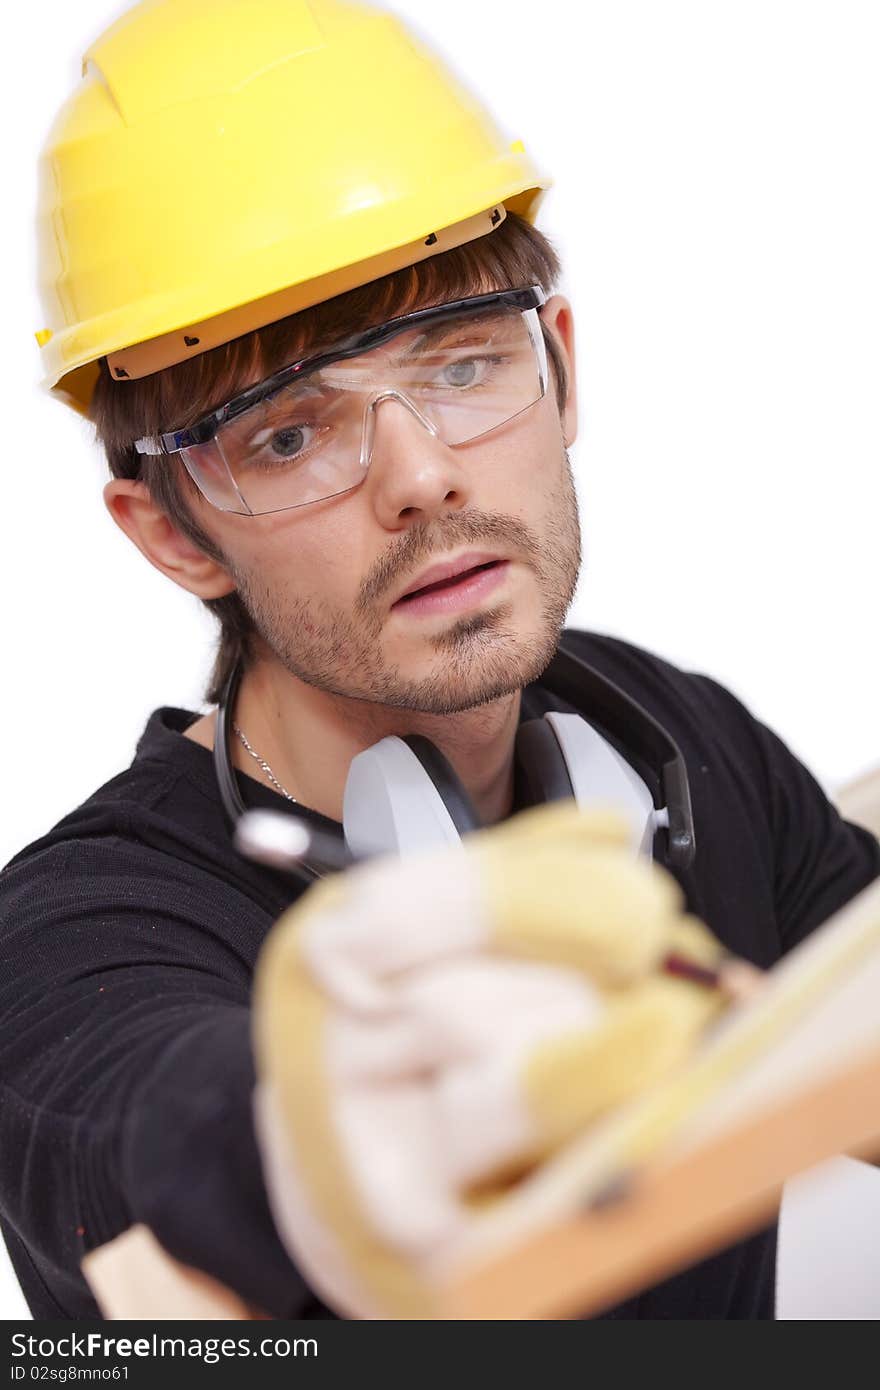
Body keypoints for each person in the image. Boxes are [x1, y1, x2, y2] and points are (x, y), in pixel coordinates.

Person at [2, 0, 877, 1321]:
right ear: (171, 534)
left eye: (464, 364)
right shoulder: (79, 936)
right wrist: (326, 1135)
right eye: (286, 436)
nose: (423, 475)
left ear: (562, 373)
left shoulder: (676, 739)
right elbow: (153, 1132)